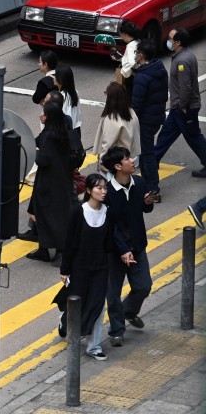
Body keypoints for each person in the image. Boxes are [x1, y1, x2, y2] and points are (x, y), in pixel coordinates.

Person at [60, 173, 122, 360]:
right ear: (88, 190)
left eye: (105, 188)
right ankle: (64, 323)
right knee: (77, 304)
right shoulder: (78, 212)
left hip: (101, 267)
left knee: (97, 305)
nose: (103, 191)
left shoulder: (108, 212)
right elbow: (69, 242)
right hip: (79, 267)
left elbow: (110, 242)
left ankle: (93, 346)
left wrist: (124, 252)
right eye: (99, 188)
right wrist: (65, 270)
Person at [101, 146, 153, 347]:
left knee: (143, 286)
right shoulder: (107, 194)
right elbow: (111, 227)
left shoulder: (139, 183)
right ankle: (116, 330)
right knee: (112, 294)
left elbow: (143, 210)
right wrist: (123, 250)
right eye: (127, 159)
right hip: (114, 251)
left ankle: (129, 312)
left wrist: (147, 202)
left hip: (138, 246)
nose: (132, 161)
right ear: (117, 166)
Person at [149, 27, 206, 188]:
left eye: (171, 38)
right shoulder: (186, 55)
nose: (168, 40)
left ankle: (152, 162)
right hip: (181, 108)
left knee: (193, 137)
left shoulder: (182, 61)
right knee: (167, 135)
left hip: (184, 108)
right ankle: (153, 161)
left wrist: (182, 107)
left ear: (178, 42)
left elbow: (185, 88)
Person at [28, 99, 74, 263]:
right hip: (61, 179)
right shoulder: (60, 131)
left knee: (47, 216)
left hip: (48, 181)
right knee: (56, 215)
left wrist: (34, 152)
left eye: (43, 113)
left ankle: (52, 250)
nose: (40, 115)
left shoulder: (49, 137)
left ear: (48, 117)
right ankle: (48, 249)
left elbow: (43, 159)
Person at [129, 40, 168, 198]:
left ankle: (153, 188)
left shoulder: (142, 77)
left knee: (147, 153)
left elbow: (137, 105)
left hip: (145, 120)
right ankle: (147, 184)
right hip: (157, 117)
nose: (135, 55)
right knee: (146, 152)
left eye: (137, 52)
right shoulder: (159, 68)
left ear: (141, 55)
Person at [93, 82, 139, 169]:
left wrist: (102, 162)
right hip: (130, 158)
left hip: (115, 163)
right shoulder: (130, 112)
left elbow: (108, 144)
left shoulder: (112, 119)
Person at [114, 21, 142, 93]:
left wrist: (123, 72)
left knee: (129, 98)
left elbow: (132, 62)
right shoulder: (138, 41)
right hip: (139, 75)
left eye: (121, 34)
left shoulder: (130, 46)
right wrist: (121, 58)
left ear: (125, 34)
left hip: (131, 78)